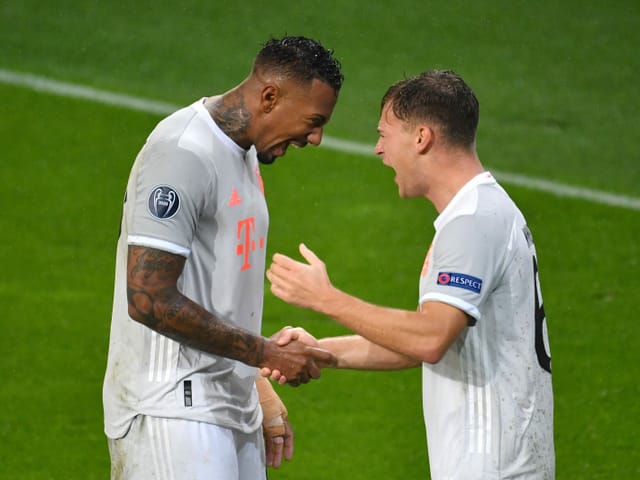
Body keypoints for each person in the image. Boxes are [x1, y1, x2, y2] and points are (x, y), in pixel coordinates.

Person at [265, 70, 555, 479]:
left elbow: (431, 338)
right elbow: (424, 340)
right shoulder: (479, 213)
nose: (378, 150)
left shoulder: (472, 222)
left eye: (385, 134)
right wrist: (323, 352)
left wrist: (325, 298)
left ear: (421, 137)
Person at [102, 36, 344, 479]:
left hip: (228, 411)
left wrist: (257, 383)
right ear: (269, 97)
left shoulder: (245, 156)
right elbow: (148, 297)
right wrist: (265, 352)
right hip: (171, 410)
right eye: (313, 121)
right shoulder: (183, 152)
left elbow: (219, 298)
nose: (316, 138)